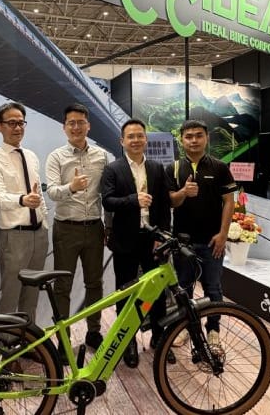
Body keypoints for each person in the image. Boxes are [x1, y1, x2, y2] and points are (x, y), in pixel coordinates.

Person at [101, 118, 173, 368]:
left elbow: (164, 205)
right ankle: (128, 341)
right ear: (122, 141)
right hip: (125, 241)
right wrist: (134, 199)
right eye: (130, 136)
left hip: (152, 240)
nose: (135, 140)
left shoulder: (157, 168)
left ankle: (159, 337)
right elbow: (107, 201)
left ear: (146, 140)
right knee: (126, 292)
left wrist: (163, 236)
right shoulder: (113, 169)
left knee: (158, 292)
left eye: (140, 135)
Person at [45, 103, 108, 356]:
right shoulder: (56, 157)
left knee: (95, 283)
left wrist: (108, 225)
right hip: (66, 229)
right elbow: (51, 192)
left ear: (88, 126)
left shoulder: (101, 156)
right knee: (63, 286)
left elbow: (107, 193)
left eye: (80, 122)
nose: (76, 127)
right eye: (71, 123)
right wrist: (71, 187)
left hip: (94, 227)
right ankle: (64, 339)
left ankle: (94, 331)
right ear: (64, 127)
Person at [167, 120, 236, 346]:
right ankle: (185, 328)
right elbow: (171, 201)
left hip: (212, 241)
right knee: (183, 287)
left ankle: (213, 330)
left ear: (207, 138)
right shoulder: (173, 168)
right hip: (182, 242)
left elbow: (229, 202)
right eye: (188, 136)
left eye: (198, 135)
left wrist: (223, 234)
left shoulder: (220, 167)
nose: (194, 140)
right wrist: (184, 192)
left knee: (213, 287)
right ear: (181, 140)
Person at [0, 102, 48, 324]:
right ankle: (6, 343)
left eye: (21, 123)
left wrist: (44, 221)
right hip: (13, 237)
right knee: (10, 297)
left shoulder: (31, 156)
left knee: (32, 296)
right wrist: (22, 200)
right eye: (12, 123)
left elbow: (38, 193)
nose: (18, 128)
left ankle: (29, 339)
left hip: (39, 234)